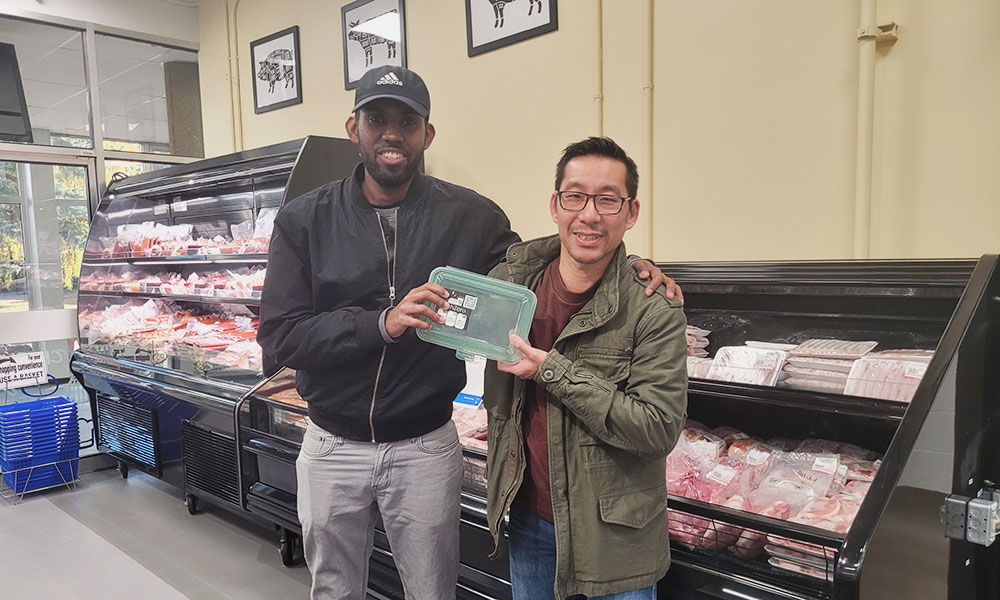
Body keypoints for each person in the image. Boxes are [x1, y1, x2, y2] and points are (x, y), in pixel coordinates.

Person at [257, 66, 678, 600]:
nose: (392, 134)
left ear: (427, 134)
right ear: (353, 128)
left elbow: (542, 261)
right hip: (331, 444)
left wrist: (631, 264)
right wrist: (381, 323)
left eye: (408, 122)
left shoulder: (471, 216)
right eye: (377, 119)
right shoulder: (304, 220)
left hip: (425, 445)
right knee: (334, 589)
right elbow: (280, 338)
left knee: (432, 591)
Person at [484, 137, 689, 600]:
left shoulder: (653, 307)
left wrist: (551, 371)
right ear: (555, 205)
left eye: (608, 200)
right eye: (575, 197)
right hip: (529, 520)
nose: (590, 215)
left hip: (615, 540)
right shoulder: (510, 283)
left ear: (631, 212)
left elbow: (658, 429)